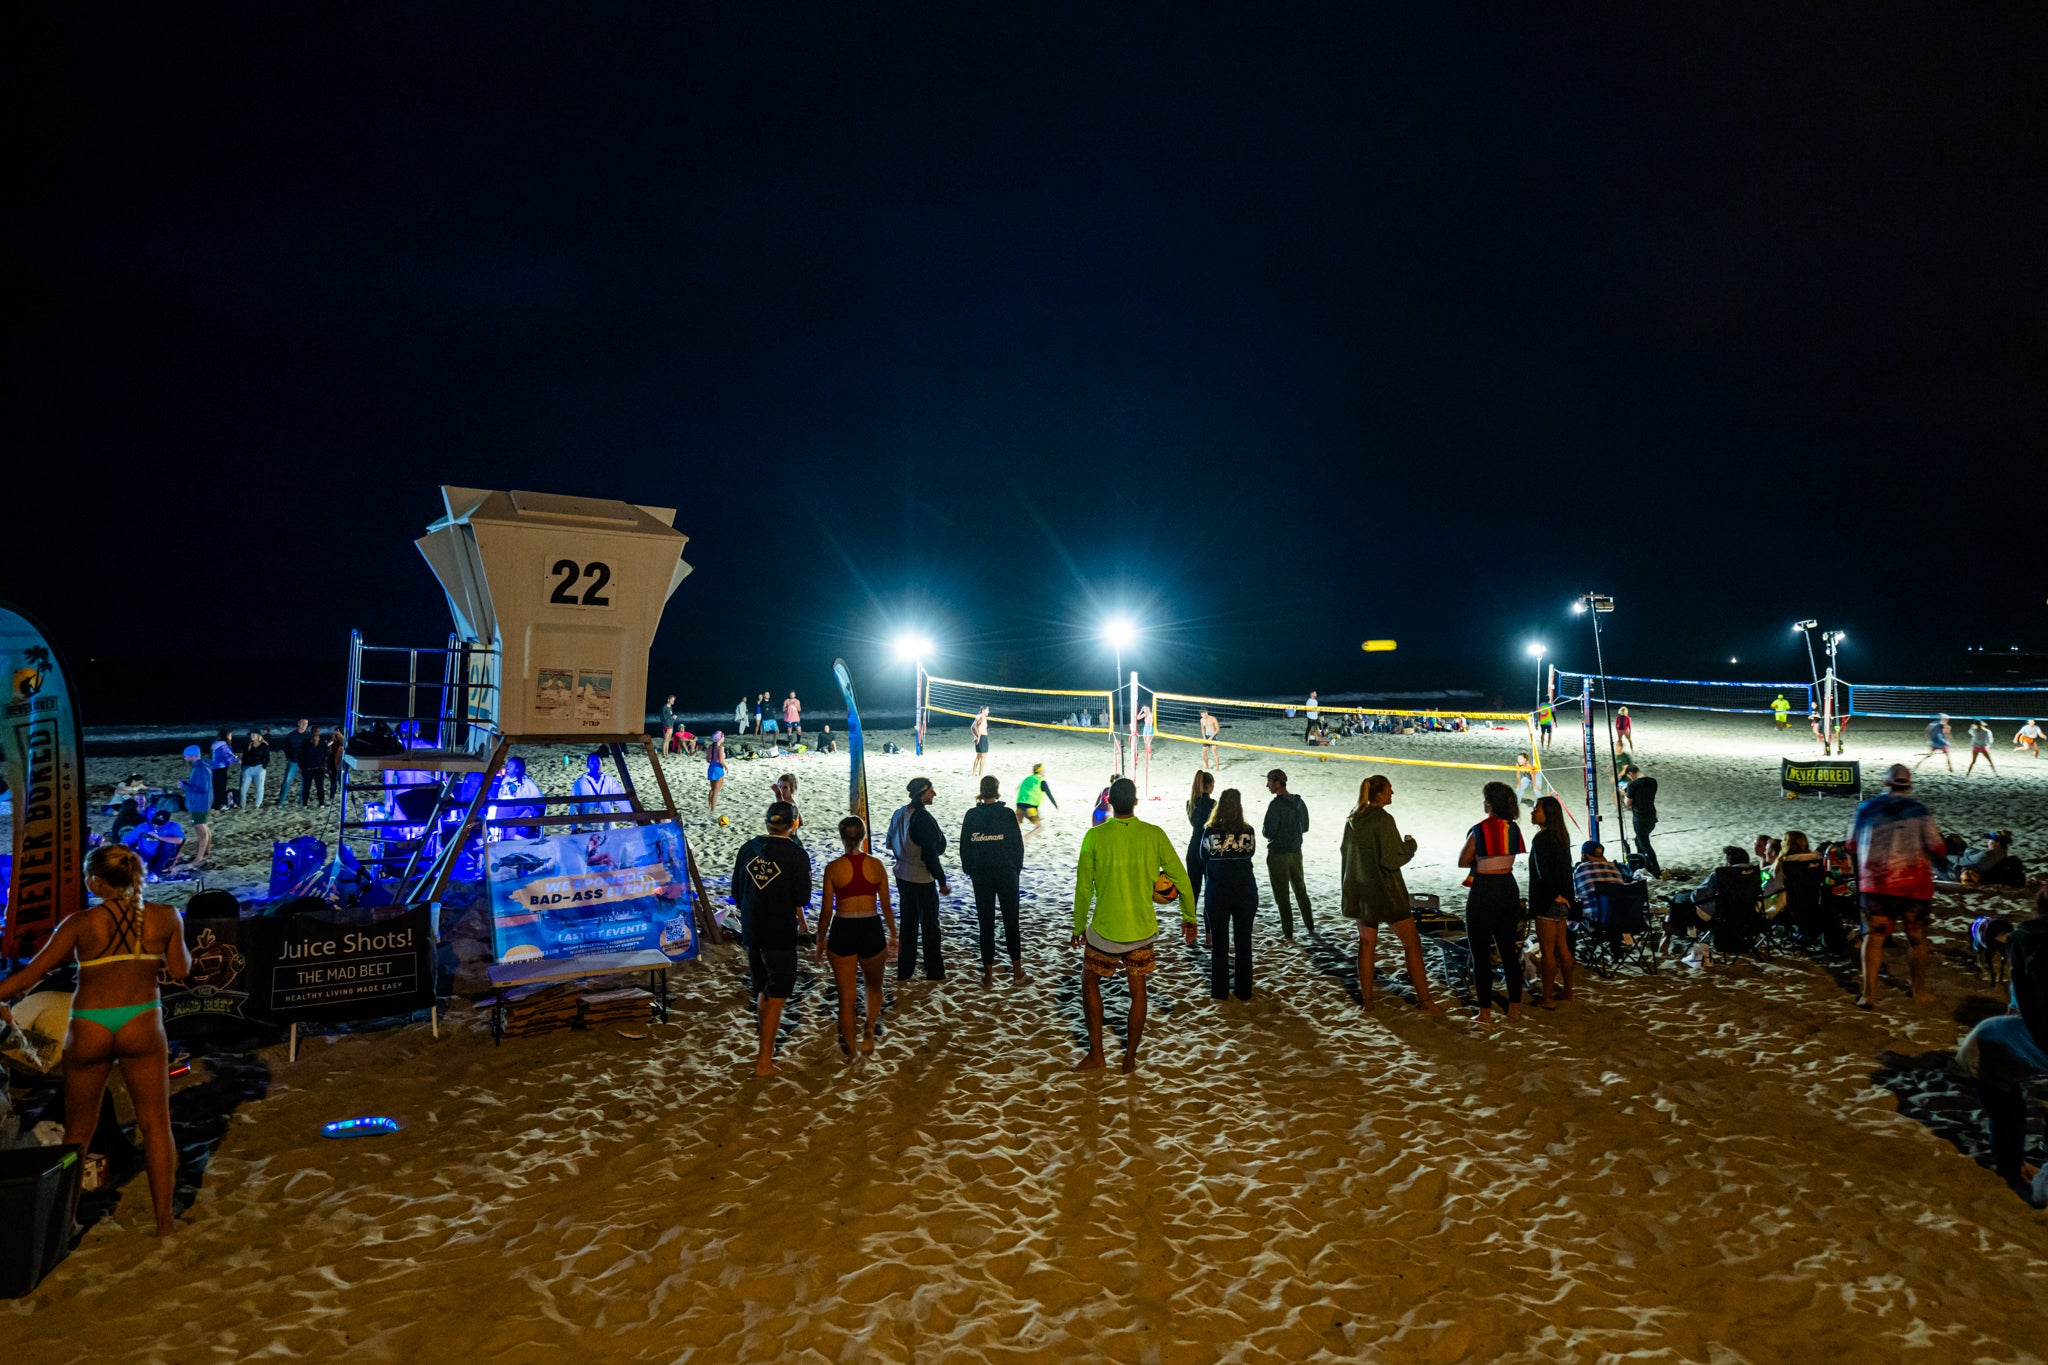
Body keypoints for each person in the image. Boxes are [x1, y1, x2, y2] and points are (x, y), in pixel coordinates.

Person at [0, 845, 193, 1235]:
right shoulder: (166, 916)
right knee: (156, 1123)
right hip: (141, 1021)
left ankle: (67, 1220)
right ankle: (164, 1222)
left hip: (90, 1024)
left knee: (78, 1131)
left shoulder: (79, 923)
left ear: (96, 882)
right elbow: (180, 969)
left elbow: (30, 976)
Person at [1071, 777, 1195, 1072]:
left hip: (1105, 931)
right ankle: (1129, 1059)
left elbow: (1083, 888)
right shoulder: (1154, 834)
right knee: (1138, 990)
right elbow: (1182, 881)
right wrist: (1188, 917)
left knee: (1090, 982)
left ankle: (1097, 1055)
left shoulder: (1095, 837)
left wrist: (1078, 925)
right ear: (1136, 801)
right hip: (1141, 931)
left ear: (1110, 802)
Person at [1955, 889, 2048, 1202]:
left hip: (1994, 1041)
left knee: (2010, 1110)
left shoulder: (2027, 941)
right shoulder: (2027, 942)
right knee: (2009, 1111)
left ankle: (2014, 1166)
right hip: (1990, 1049)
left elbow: (2024, 1001)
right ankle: (2014, 1167)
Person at [1340, 774, 1443, 1013]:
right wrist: (1410, 845)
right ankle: (1425, 1000)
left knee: (1366, 944)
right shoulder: (1383, 820)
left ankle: (1368, 1002)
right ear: (1379, 794)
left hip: (1361, 890)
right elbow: (1391, 858)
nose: (1392, 793)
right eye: (1389, 789)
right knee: (1412, 943)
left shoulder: (1354, 818)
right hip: (1386, 891)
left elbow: (1346, 853)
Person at [1849, 763, 1945, 1010]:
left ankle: (1868, 994)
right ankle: (1918, 991)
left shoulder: (1866, 808)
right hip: (1913, 886)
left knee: (1875, 936)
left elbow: (1851, 843)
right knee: (1916, 938)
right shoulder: (1919, 811)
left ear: (1886, 782)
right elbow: (1937, 847)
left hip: (1876, 884)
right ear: (1909, 784)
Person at [731, 801, 813, 1076]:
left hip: (753, 928)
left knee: (763, 990)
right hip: (778, 930)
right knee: (776, 994)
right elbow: (802, 898)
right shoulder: (796, 855)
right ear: (794, 824)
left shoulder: (748, 848)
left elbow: (736, 890)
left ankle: (763, 1053)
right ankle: (764, 1060)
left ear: (767, 823)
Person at [814, 815, 895, 1058]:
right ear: (863, 836)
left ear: (842, 837)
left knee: (846, 997)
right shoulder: (876, 866)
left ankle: (850, 1053)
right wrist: (893, 932)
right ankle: (869, 1028)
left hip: (844, 929)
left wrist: (820, 941)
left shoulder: (833, 868)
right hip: (871, 927)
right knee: (873, 986)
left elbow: (826, 911)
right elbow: (887, 906)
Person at [1457, 781, 1526, 1023]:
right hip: (1508, 886)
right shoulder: (1514, 829)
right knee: (1508, 951)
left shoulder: (1480, 829)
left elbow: (1463, 860)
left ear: (1489, 805)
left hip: (1485, 888)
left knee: (1480, 952)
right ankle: (1515, 1008)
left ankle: (1485, 1012)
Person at [960, 775, 1026, 986]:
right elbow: (1018, 845)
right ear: (997, 791)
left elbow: (964, 847)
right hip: (1006, 873)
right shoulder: (1006, 814)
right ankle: (1017, 972)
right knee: (1011, 921)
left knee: (985, 923)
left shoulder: (972, 815)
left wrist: (970, 869)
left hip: (982, 874)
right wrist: (1016, 868)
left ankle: (988, 975)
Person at [887, 777, 952, 981]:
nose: (934, 794)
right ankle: (934, 971)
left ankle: (905, 970)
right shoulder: (922, 818)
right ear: (922, 794)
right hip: (921, 877)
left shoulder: (899, 813)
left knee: (908, 925)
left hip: (902, 875)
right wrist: (941, 880)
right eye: (931, 791)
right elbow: (931, 853)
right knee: (930, 926)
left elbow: (889, 842)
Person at [1200, 789, 1259, 1002]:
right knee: (1244, 942)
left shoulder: (1210, 830)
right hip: (1245, 891)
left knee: (1220, 944)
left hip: (1218, 891)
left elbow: (1203, 855)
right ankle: (1244, 990)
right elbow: (1251, 852)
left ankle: (1220, 991)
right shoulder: (1248, 831)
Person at [1528, 794, 1576, 1006]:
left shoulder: (1541, 839)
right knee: (1562, 947)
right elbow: (1566, 871)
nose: (1532, 812)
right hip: (1563, 901)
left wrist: (1553, 895)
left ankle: (1548, 998)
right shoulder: (1562, 837)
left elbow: (1543, 873)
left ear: (1548, 815)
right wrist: (1565, 897)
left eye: (1536, 809)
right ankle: (1568, 991)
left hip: (1548, 901)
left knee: (1548, 952)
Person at [1665, 846, 1754, 945]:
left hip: (1719, 918)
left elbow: (1697, 896)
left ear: (1729, 864)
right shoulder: (1755, 875)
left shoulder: (1721, 875)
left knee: (1680, 898)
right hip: (1749, 917)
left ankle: (1675, 930)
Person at [1262, 769, 1313, 938]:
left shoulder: (1275, 805)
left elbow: (1268, 832)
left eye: (1269, 781)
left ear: (1277, 783)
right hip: (1296, 852)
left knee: (1282, 895)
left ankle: (1288, 931)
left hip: (1278, 854)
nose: (1267, 785)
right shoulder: (1299, 802)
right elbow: (1305, 827)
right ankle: (1310, 925)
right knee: (1301, 890)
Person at [488, 756, 544, 838]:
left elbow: (539, 799)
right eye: (507, 765)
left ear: (517, 769)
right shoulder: (505, 780)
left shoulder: (526, 782)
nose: (507, 768)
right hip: (504, 810)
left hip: (518, 811)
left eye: (510, 766)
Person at [1620, 763, 1660, 877]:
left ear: (1631, 773)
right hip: (1652, 817)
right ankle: (1643, 865)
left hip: (1640, 818)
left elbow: (1628, 803)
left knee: (1645, 845)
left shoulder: (1633, 785)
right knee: (1639, 841)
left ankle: (1656, 870)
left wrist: (1624, 794)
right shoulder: (1653, 782)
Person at [177, 745, 214, 866]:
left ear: (192, 756)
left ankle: (199, 858)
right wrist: (187, 784)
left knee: (201, 831)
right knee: (204, 828)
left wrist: (185, 787)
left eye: (186, 755)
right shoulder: (202, 767)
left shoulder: (200, 769)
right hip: (202, 802)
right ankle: (206, 852)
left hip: (199, 803)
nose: (184, 758)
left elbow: (202, 788)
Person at [571, 751, 625, 832]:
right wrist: (575, 827)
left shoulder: (610, 781)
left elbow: (622, 801)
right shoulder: (580, 782)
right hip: (587, 828)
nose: (595, 764)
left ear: (602, 764)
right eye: (592, 762)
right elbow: (574, 806)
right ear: (587, 765)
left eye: (597, 762)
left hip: (607, 827)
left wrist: (632, 817)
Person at [1185, 771, 1215, 906]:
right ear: (1208, 785)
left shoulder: (1190, 803)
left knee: (1193, 890)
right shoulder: (1213, 803)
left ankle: (1190, 921)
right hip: (1208, 847)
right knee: (1210, 890)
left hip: (1193, 846)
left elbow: (1194, 823)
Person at [1572, 839, 1627, 908]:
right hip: (1618, 914)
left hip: (1592, 916)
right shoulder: (1614, 867)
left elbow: (1574, 894)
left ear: (1584, 855)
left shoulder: (1580, 869)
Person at [1016, 763, 1057, 836]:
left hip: (1019, 806)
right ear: (1040, 771)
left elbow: (1018, 787)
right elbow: (1049, 794)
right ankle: (1025, 838)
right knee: (1040, 828)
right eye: (1043, 770)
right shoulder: (1041, 781)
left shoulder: (1027, 778)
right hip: (1030, 808)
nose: (1044, 772)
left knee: (1016, 825)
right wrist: (1055, 805)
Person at [279, 718, 312, 805]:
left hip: (304, 762)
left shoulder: (309, 736)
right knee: (287, 781)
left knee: (305, 782)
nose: (305, 725)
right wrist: (289, 756)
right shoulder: (291, 735)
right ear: (299, 724)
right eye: (303, 723)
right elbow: (285, 747)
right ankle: (281, 800)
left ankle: (301, 800)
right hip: (293, 761)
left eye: (306, 723)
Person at [237, 728, 270, 809]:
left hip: (259, 768)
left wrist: (263, 767)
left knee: (260, 788)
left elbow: (267, 758)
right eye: (251, 735)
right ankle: (242, 805)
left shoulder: (263, 745)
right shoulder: (248, 745)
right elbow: (244, 757)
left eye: (253, 734)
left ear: (258, 736)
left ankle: (257, 805)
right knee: (243, 788)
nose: (251, 736)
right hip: (248, 768)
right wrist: (243, 767)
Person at [210, 730, 237, 809]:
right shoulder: (225, 746)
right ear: (227, 736)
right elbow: (230, 758)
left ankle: (214, 804)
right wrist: (239, 760)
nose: (231, 737)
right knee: (220, 788)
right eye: (230, 736)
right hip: (221, 769)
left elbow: (211, 756)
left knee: (214, 787)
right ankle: (217, 806)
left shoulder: (214, 744)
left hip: (213, 769)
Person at [705, 731, 728, 820]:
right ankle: (713, 810)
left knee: (712, 789)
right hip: (718, 768)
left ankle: (710, 806)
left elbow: (708, 759)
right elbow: (721, 761)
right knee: (716, 791)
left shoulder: (711, 747)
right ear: (720, 738)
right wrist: (726, 767)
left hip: (711, 768)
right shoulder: (720, 748)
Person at [970, 706, 991, 778]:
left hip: (981, 737)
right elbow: (973, 727)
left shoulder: (980, 716)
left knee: (978, 756)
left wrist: (976, 735)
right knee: (983, 756)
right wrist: (977, 735)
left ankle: (973, 773)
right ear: (983, 710)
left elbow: (973, 727)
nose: (988, 712)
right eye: (987, 710)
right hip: (982, 737)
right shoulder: (982, 717)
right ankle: (980, 774)